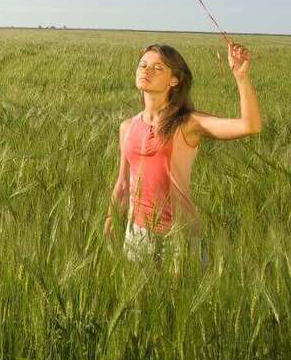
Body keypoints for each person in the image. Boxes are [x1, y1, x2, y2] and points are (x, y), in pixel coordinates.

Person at [104, 41, 261, 268]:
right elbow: (123, 184)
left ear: (174, 80)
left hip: (180, 235)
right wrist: (111, 218)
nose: (146, 70)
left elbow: (250, 126)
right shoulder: (127, 127)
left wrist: (241, 77)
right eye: (143, 65)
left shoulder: (187, 124)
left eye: (158, 68)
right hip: (136, 234)